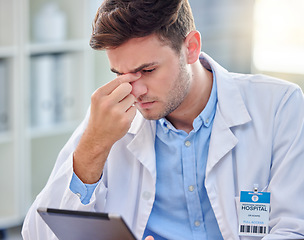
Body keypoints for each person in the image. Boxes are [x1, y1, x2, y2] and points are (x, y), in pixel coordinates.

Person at [22, 0, 304, 239]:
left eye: (147, 70)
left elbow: (292, 229)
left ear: (191, 48)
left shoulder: (279, 105)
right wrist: (93, 146)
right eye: (120, 75)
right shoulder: (109, 119)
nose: (135, 90)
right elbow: (38, 233)